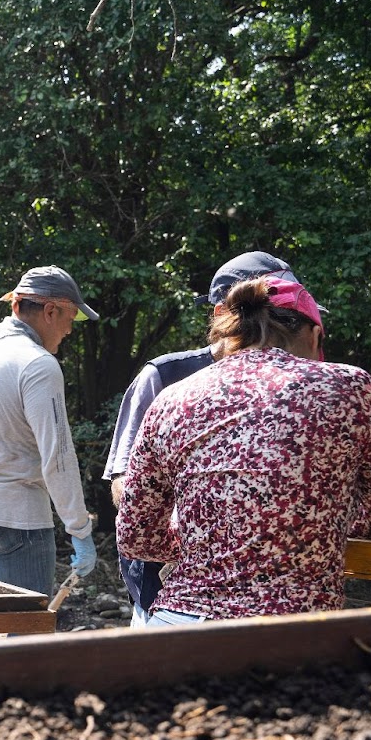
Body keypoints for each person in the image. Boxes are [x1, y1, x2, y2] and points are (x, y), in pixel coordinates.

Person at [117, 277, 371, 623]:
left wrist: (208, 541)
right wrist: (323, 524)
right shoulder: (350, 387)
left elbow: (136, 535)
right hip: (292, 632)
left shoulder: (172, 398)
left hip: (178, 624)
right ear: (314, 336)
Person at [103, 251, 306, 624]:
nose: (286, 326)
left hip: (269, 594)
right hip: (168, 594)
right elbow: (124, 485)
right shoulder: (165, 377)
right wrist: (202, 525)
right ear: (223, 314)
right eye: (273, 313)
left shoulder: (301, 384)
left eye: (292, 315)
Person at [0, 267, 98, 626]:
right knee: (28, 632)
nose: (70, 329)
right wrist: (79, 530)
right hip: (15, 517)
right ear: (50, 311)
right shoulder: (38, 364)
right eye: (70, 317)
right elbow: (58, 458)